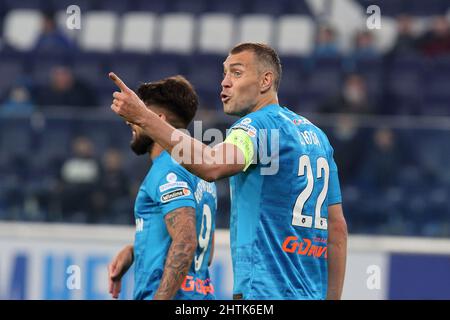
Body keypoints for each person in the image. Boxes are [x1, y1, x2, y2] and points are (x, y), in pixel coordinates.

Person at [109, 43, 347, 300]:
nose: (224, 82)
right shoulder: (316, 136)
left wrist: (144, 117)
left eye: (236, 73)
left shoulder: (257, 126)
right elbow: (337, 228)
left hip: (265, 292)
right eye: (224, 74)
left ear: (265, 80)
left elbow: (211, 165)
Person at [107, 76, 217, 300]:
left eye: (137, 114)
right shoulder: (201, 171)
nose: (130, 122)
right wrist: (137, 250)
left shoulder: (168, 168)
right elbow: (206, 253)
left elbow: (186, 241)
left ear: (156, 119)